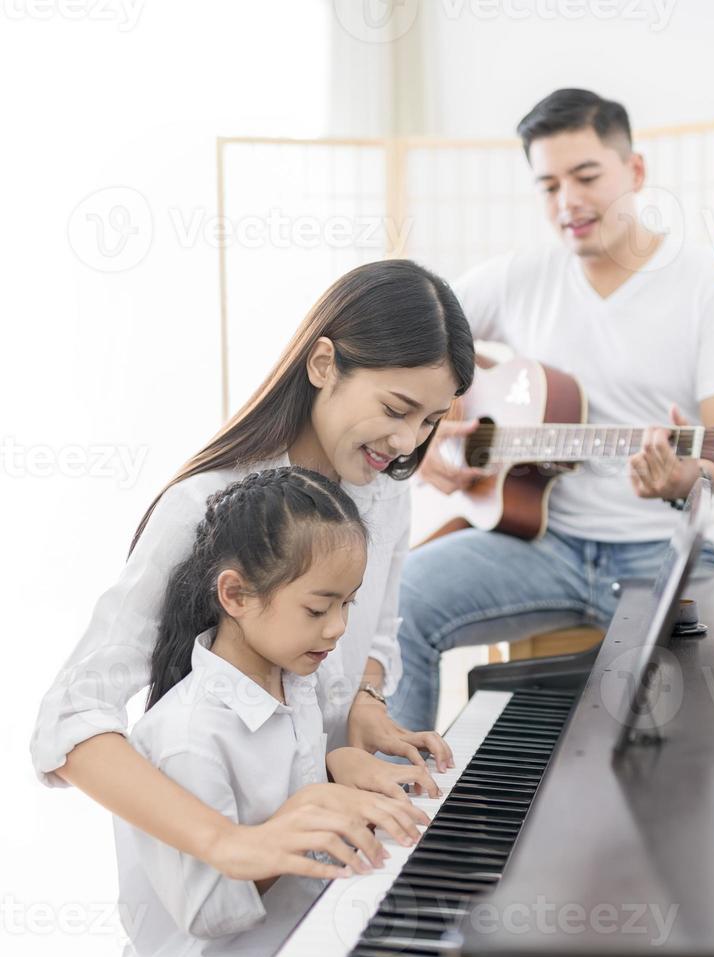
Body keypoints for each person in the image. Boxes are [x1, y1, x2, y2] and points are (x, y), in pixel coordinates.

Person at [31, 259, 471, 883]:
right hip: (225, 884)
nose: (407, 443)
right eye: (397, 409)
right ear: (323, 365)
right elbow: (71, 717)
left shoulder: (384, 490)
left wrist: (364, 707)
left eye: (430, 421)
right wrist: (228, 844)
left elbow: (374, 635)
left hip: (322, 858)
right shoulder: (205, 507)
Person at [390, 89, 714, 734]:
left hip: (663, 551)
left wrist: (688, 475)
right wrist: (426, 449)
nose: (568, 201)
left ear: (635, 171)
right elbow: (406, 351)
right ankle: (394, 807)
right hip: (540, 543)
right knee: (391, 607)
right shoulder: (515, 278)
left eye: (587, 176)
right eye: (548, 185)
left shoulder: (712, 287)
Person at [116, 467, 405, 957]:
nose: (338, 628)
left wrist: (336, 767)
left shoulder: (293, 679)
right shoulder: (188, 737)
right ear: (236, 596)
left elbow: (283, 784)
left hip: (306, 948)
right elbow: (211, 912)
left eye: (348, 603)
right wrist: (308, 811)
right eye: (318, 608)